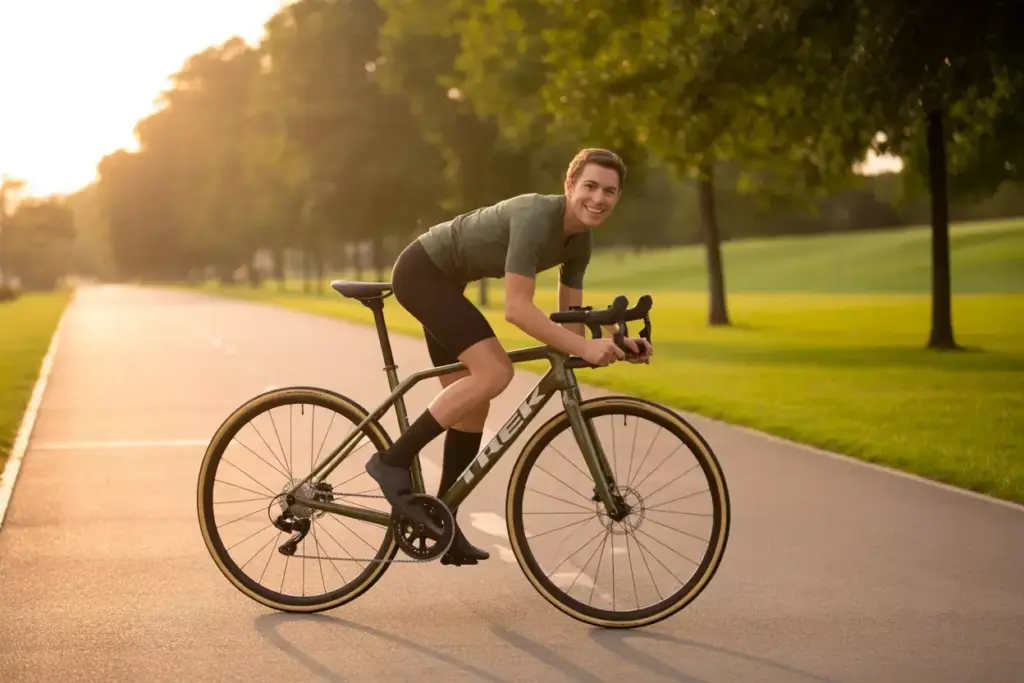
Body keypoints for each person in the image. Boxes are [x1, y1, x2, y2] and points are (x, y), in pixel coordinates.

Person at [366, 147, 653, 566]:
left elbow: (568, 327)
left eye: (609, 191)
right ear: (569, 185)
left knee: (474, 405)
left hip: (448, 283)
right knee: (496, 372)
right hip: (423, 272)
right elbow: (518, 309)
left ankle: (444, 524)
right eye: (590, 186)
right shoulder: (537, 218)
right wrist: (586, 345)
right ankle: (391, 461)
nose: (599, 198)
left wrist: (615, 344)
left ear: (617, 198)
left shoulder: (580, 242)